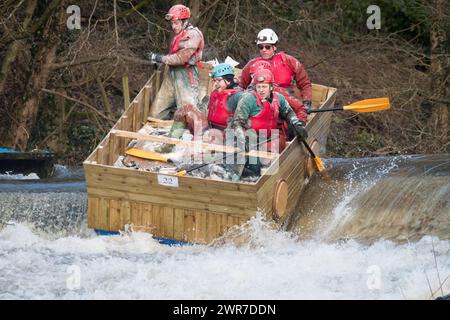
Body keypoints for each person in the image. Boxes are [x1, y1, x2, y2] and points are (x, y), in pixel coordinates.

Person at [228, 68, 307, 176]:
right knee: (253, 170)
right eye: (258, 87)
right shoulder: (248, 99)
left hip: (268, 139)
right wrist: (242, 139)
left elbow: (289, 112)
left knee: (269, 164)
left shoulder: (279, 98)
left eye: (264, 86)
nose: (261, 90)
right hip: (249, 140)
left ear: (271, 87)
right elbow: (237, 122)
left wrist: (296, 123)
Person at [240, 28, 311, 125]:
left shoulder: (288, 61)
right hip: (259, 104)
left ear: (275, 47)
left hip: (286, 102)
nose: (264, 50)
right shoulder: (252, 64)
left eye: (267, 47)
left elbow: (305, 83)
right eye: (261, 47)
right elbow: (241, 86)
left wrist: (307, 102)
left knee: (290, 125)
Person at [146, 4, 205, 119]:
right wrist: (160, 61)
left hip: (186, 76)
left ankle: (202, 111)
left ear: (185, 21)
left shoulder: (193, 34)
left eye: (176, 23)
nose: (173, 26)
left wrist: (160, 58)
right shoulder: (178, 35)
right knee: (155, 114)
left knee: (189, 116)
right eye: (172, 23)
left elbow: (181, 58)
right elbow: (174, 55)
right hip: (172, 74)